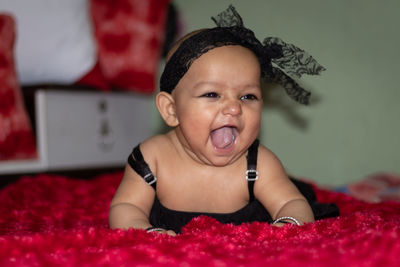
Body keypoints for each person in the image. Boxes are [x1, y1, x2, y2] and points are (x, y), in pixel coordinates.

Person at [109, 5, 338, 236]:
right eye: (212, 94)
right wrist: (146, 231)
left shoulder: (258, 165)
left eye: (248, 96)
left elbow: (292, 204)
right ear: (171, 110)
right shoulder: (152, 158)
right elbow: (126, 207)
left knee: (300, 193)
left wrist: (287, 224)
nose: (233, 107)